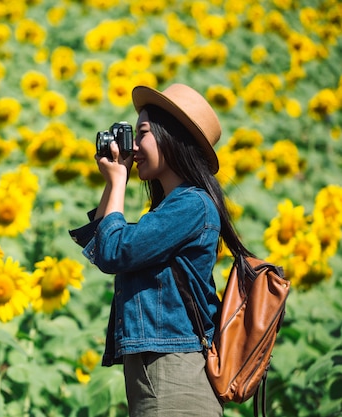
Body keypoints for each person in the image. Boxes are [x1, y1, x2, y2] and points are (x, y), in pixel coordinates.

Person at [69, 83, 253, 416]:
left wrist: (116, 183)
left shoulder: (191, 206)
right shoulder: (170, 210)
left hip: (173, 375)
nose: (134, 147)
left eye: (142, 134)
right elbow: (105, 243)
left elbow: (114, 251)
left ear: (172, 137)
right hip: (160, 372)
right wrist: (117, 180)